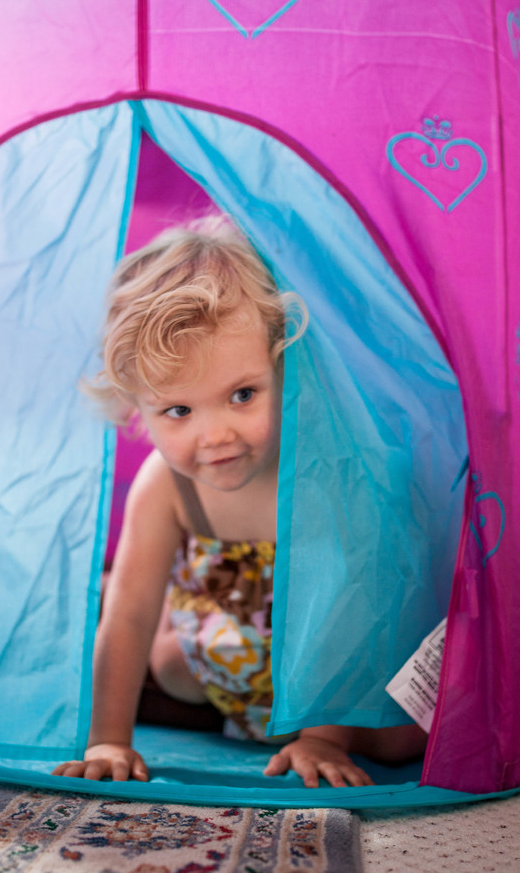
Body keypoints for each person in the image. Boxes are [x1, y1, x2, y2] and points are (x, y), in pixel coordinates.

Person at [52, 216, 425, 788]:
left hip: (331, 659)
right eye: (178, 411)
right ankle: (230, 708)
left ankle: (292, 727)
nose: (216, 435)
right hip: (224, 654)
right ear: (137, 409)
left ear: (285, 367)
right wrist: (108, 739)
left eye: (242, 395)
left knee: (403, 740)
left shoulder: (321, 474)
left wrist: (322, 740)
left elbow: (347, 618)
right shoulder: (166, 483)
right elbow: (129, 615)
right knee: (167, 662)